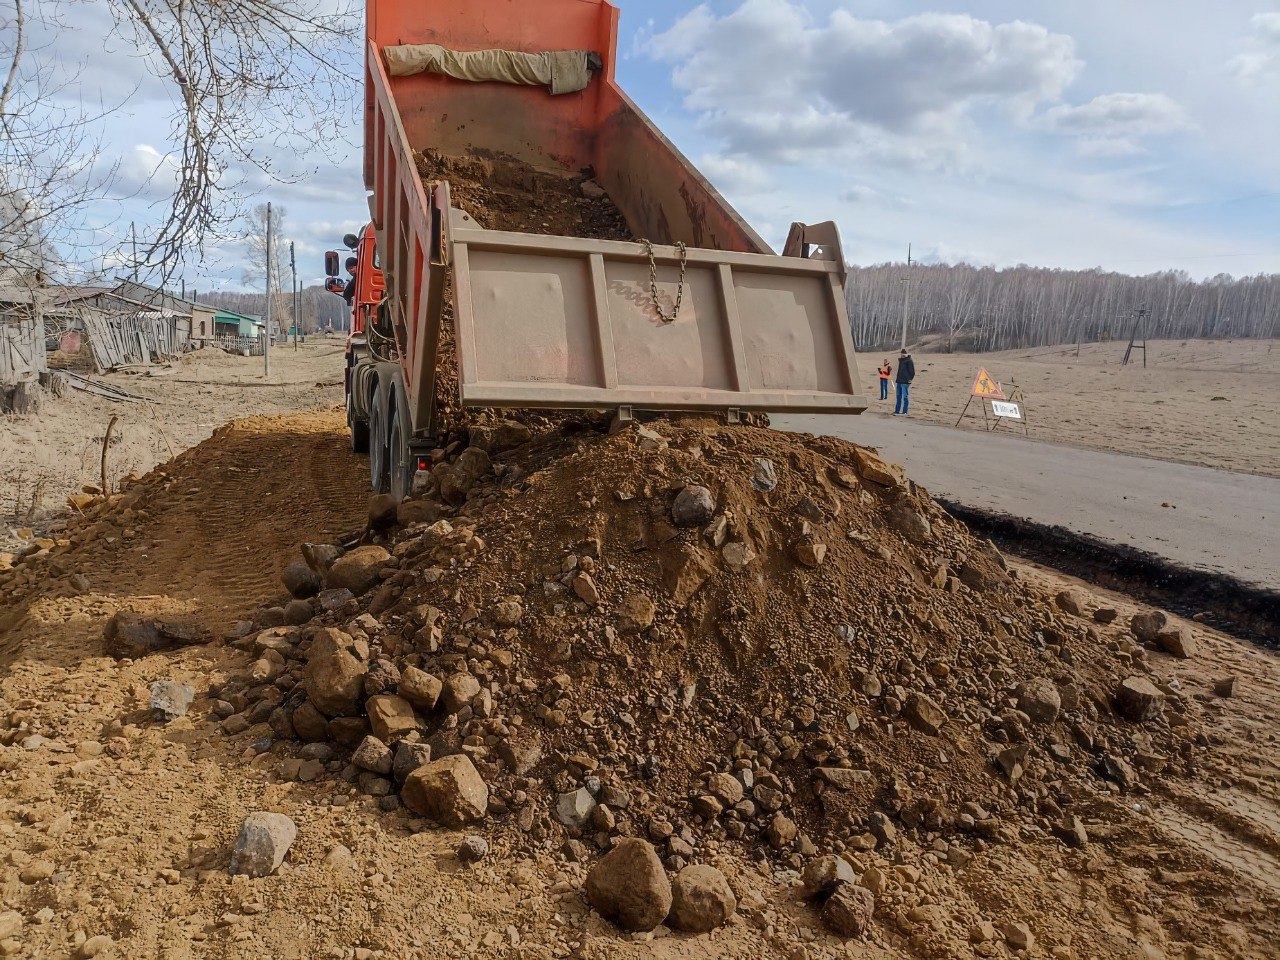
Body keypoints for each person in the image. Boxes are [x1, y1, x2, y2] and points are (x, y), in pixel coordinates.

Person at [893, 348, 915, 415]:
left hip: (905, 382)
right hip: (899, 381)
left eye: (904, 353)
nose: (903, 355)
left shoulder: (909, 361)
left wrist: (909, 379)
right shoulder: (901, 361)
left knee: (905, 396)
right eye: (902, 353)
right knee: (898, 396)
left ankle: (904, 411)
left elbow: (912, 372)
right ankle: (897, 411)